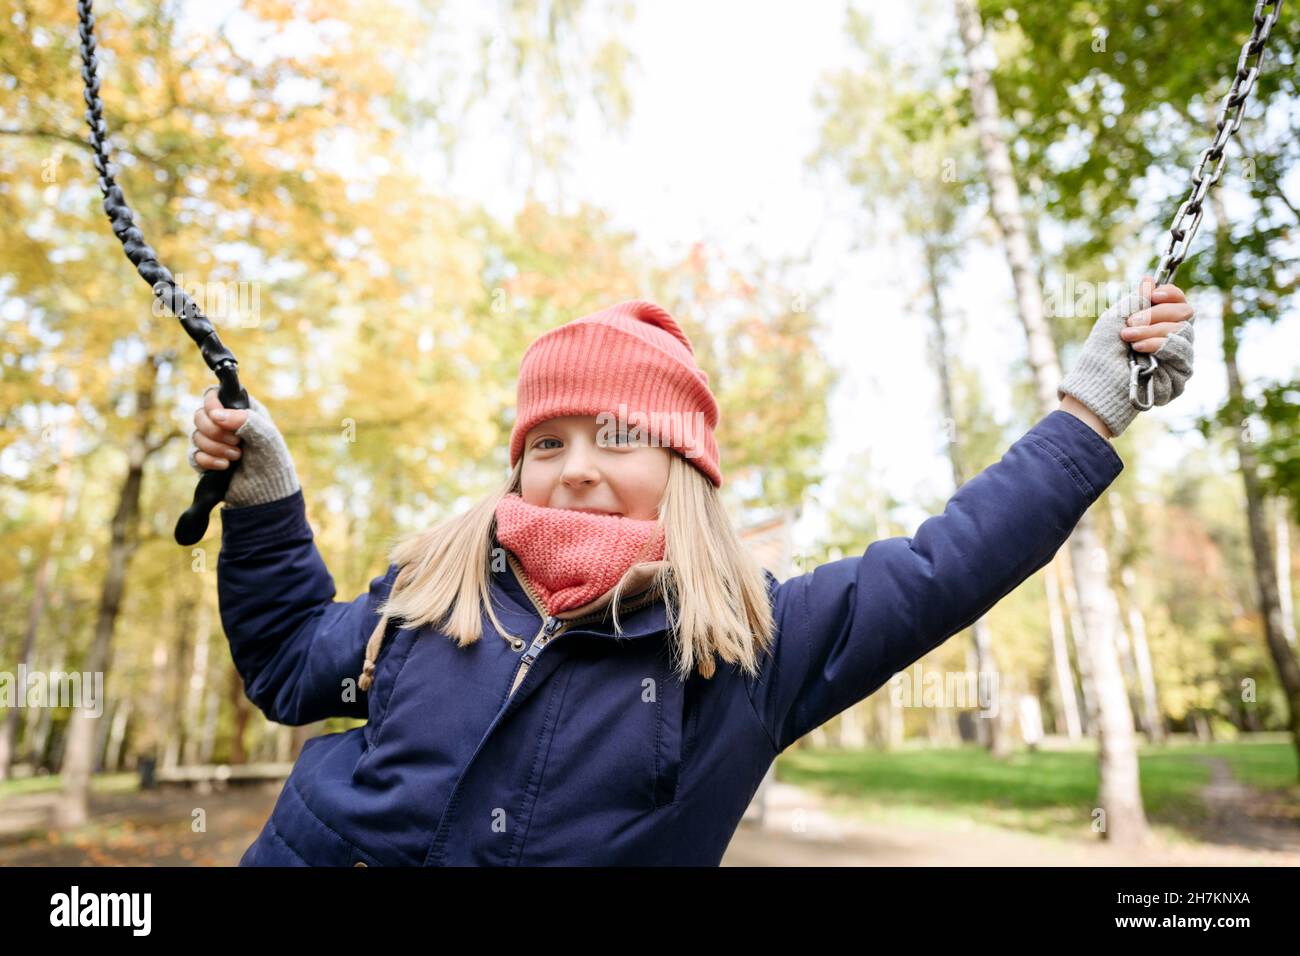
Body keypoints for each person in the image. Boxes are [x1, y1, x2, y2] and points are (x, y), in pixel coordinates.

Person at [189, 278, 1195, 865]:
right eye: (548, 441)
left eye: (619, 435)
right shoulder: (433, 585)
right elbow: (283, 664)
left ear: (685, 468)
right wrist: (268, 504)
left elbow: (946, 562)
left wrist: (1089, 412)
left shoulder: (754, 644)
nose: (575, 465)